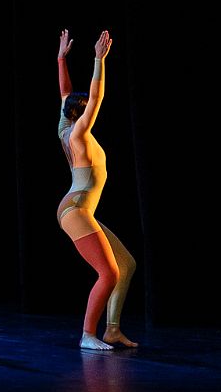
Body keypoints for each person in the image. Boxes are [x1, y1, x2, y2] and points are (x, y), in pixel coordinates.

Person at [55, 29, 138, 349]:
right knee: (108, 272)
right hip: (76, 209)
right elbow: (96, 97)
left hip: (79, 209)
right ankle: (88, 335)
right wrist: (98, 60)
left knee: (125, 264)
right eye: (87, 108)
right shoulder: (77, 134)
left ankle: (112, 329)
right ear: (82, 112)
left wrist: (61, 59)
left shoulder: (65, 127)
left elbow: (65, 92)